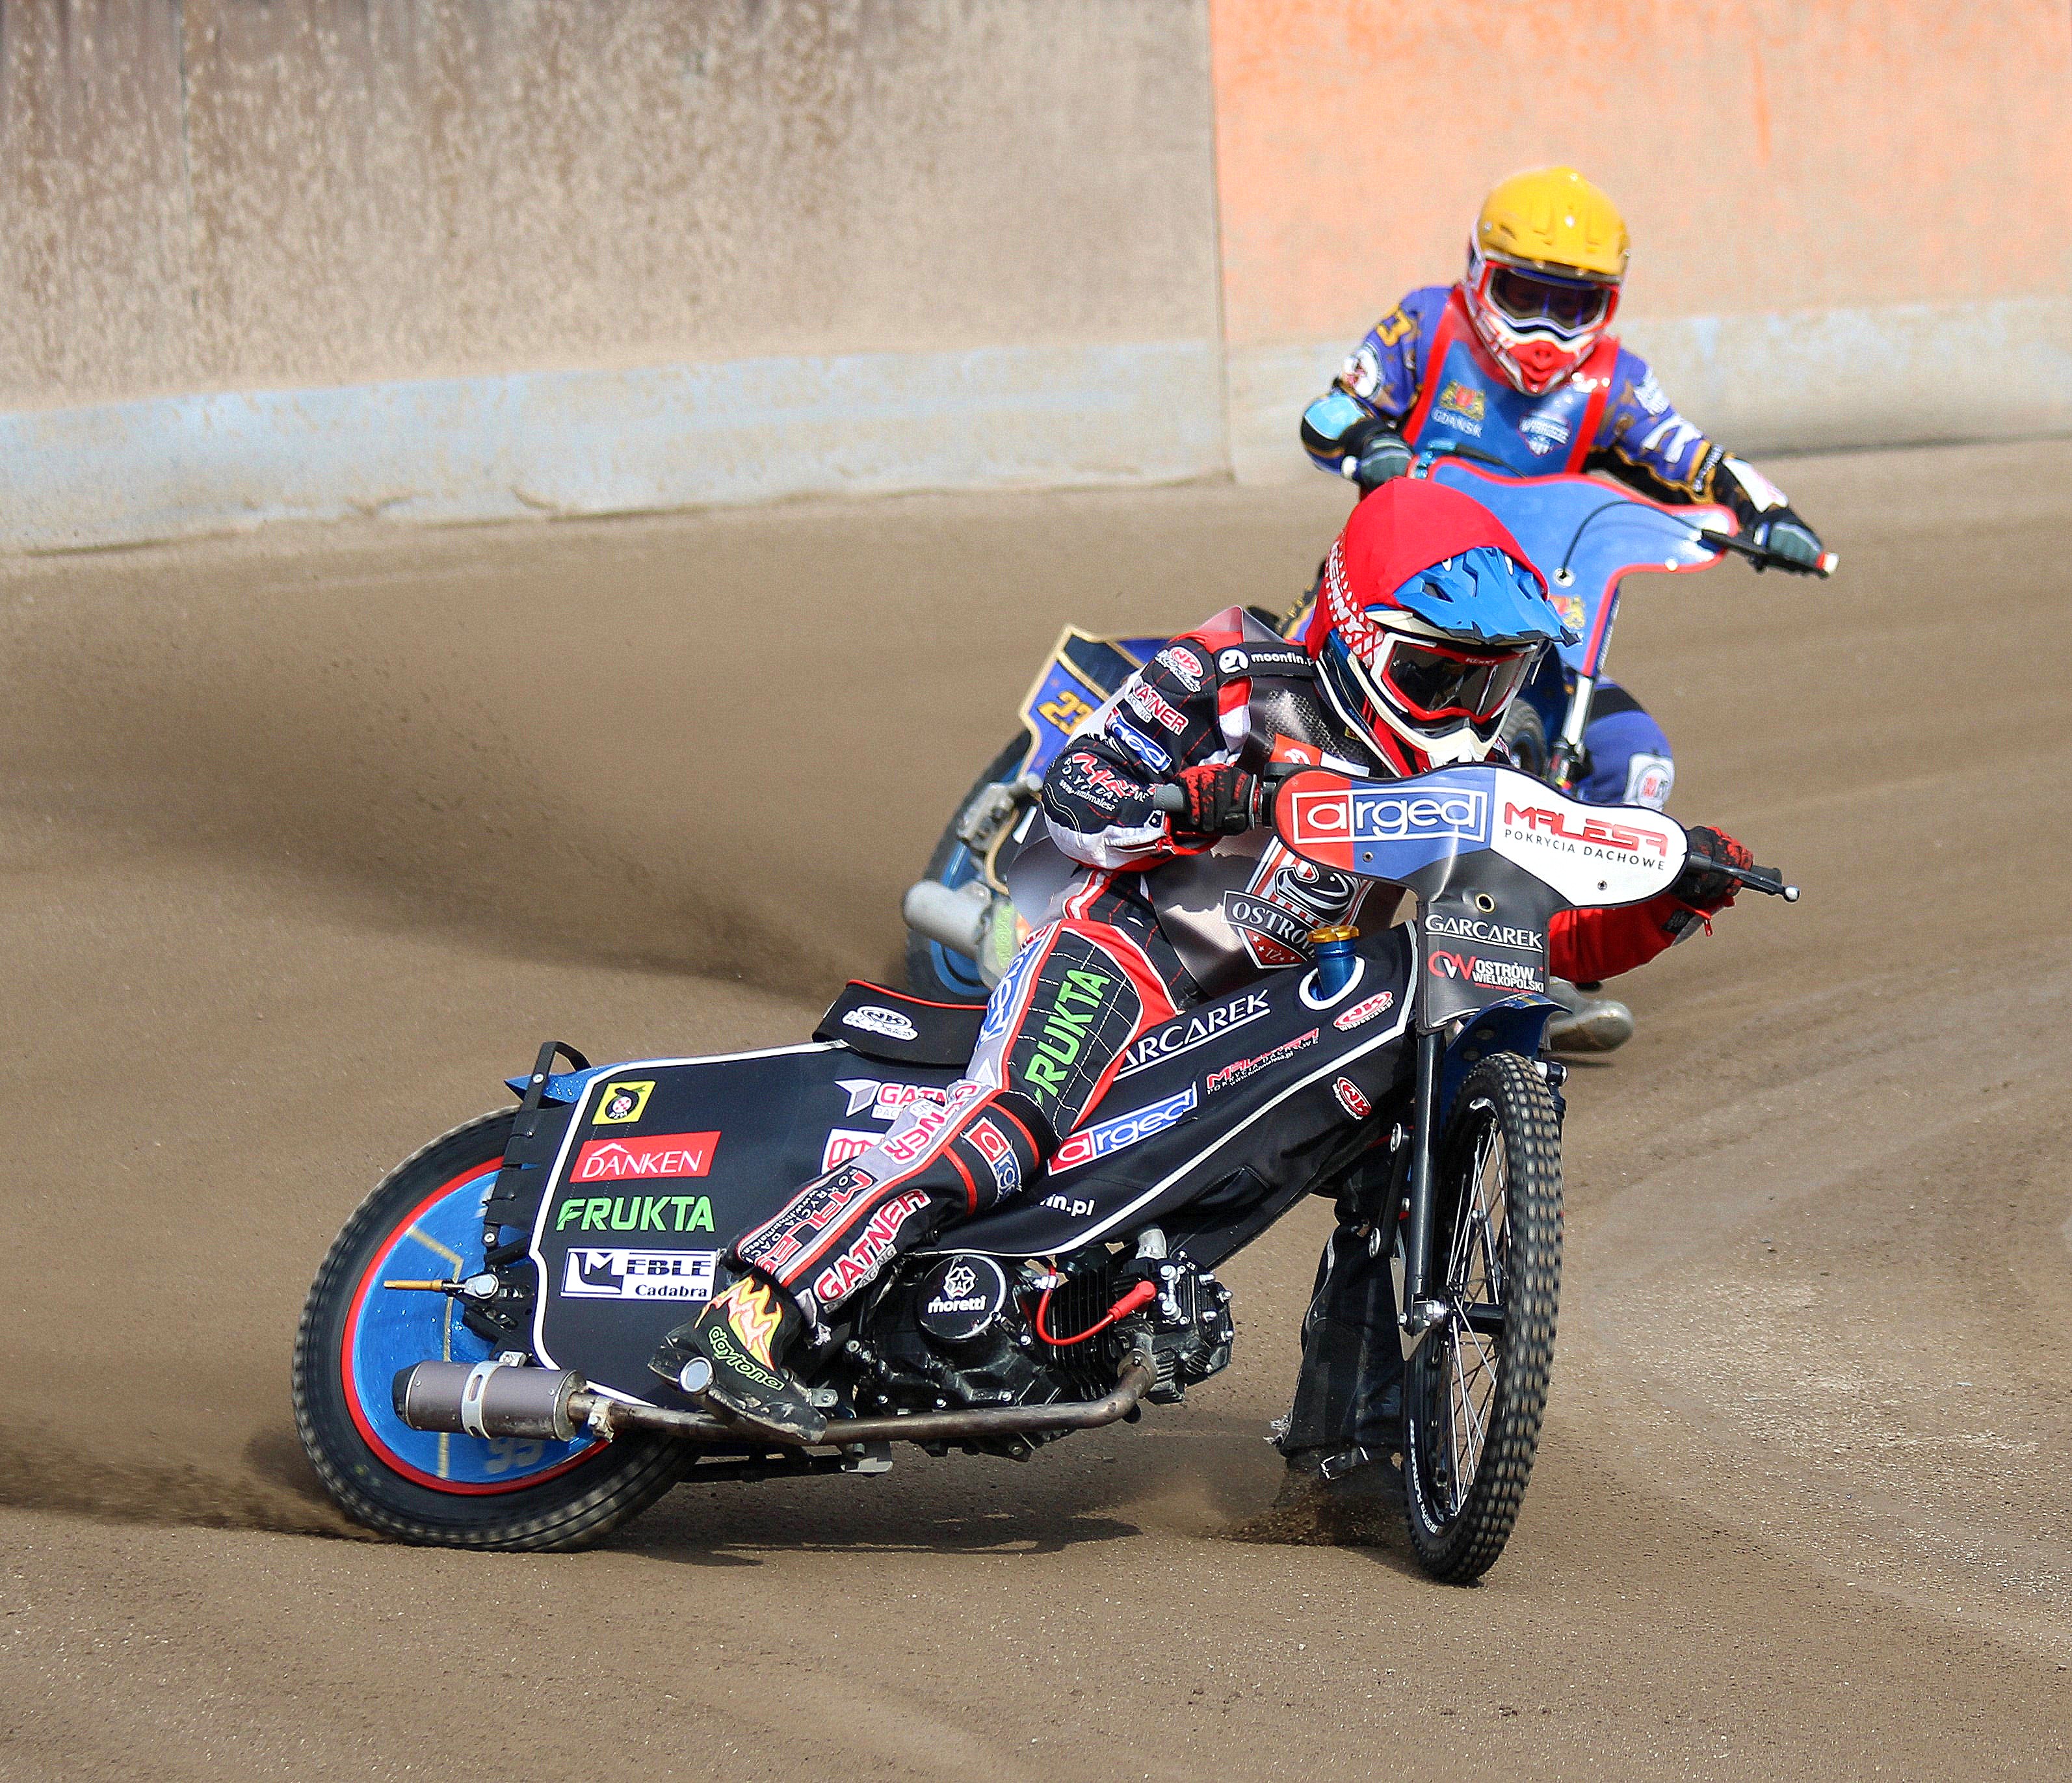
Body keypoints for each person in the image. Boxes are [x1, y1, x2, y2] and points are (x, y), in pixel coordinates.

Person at [651, 481, 1759, 1511]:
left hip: (1276, 1028)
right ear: (1361, 635)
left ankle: (1353, 1455)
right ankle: (753, 1311)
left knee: (1403, 1144)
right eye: (1443, 677)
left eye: (1497, 681)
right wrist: (1207, 796)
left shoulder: (1483, 773)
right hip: (1124, 960)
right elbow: (1077, 790)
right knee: (1005, 1127)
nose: (1472, 710)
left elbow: (1535, 934)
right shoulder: (1236, 667)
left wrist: (1669, 904)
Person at [1298, 165, 1822, 1051]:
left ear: (1607, 307)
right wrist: (1371, 441)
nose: (1545, 328)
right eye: (1525, 295)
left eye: (1572, 305)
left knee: (1633, 763)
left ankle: (1533, 969)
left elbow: (1694, 455)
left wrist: (1771, 513)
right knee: (1293, 744)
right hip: (1380, 622)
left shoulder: (1615, 381)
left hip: (1533, 632)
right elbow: (1328, 412)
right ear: (1479, 273)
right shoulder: (1426, 325)